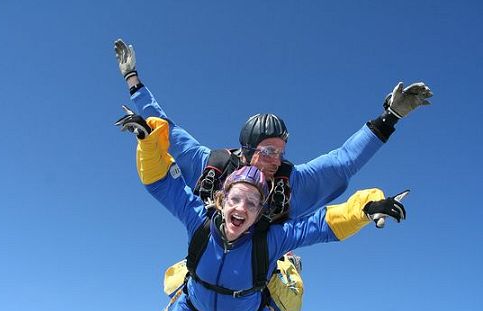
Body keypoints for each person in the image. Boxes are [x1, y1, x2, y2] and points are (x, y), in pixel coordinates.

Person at [130, 116, 407, 311]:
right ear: (221, 200)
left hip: (250, 307)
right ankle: (188, 274)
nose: (241, 208)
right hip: (197, 297)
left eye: (252, 204)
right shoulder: (200, 217)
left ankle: (284, 268)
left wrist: (367, 208)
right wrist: (147, 138)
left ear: (261, 209)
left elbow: (323, 222)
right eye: (235, 200)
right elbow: (164, 183)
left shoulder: (273, 235)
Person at [113, 38, 431, 223]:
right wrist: (133, 81)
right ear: (248, 150)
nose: (275, 159)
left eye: (280, 151)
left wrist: (389, 117)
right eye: (268, 151)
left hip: (255, 272)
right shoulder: (210, 163)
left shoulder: (291, 182)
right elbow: (165, 128)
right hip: (208, 258)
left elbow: (344, 160)